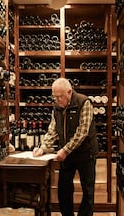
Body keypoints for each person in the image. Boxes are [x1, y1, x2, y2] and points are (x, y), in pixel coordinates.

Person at [33, 77, 99, 216]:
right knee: (63, 190)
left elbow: (82, 132)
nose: (57, 100)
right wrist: (43, 147)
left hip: (85, 153)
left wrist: (65, 150)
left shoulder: (84, 102)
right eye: (54, 97)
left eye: (59, 97)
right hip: (67, 154)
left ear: (69, 92)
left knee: (88, 191)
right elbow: (53, 130)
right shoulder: (57, 107)